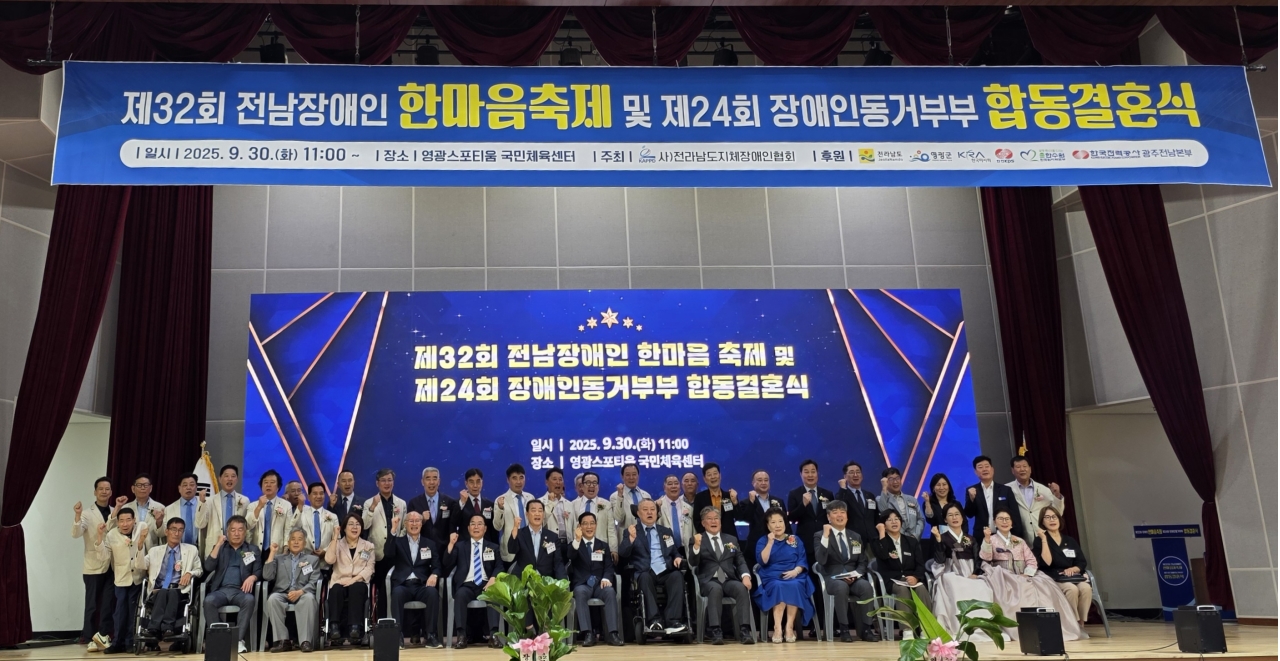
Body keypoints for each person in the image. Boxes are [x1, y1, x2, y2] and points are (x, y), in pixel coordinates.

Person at [979, 510, 1084, 641]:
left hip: (1023, 574)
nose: (1004, 522)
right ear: (995, 522)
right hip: (1003, 575)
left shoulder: (1020, 541)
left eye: (1007, 519)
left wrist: (1027, 573)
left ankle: (1046, 627)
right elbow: (986, 557)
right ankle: (1022, 628)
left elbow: (1031, 560)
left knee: (1044, 588)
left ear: (1012, 523)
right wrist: (987, 539)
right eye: (1001, 519)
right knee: (1017, 592)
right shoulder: (991, 539)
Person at [619, 499, 688, 636]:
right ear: (638, 513)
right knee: (644, 577)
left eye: (652, 509)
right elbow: (623, 553)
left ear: (657, 513)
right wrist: (631, 539)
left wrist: (677, 557)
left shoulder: (665, 531)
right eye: (645, 510)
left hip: (665, 571)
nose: (649, 512)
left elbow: (674, 551)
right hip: (645, 571)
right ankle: (654, 620)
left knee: (677, 576)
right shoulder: (631, 531)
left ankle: (673, 621)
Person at [929, 503, 998, 640]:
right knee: (954, 583)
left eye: (957, 514)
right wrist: (938, 540)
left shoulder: (970, 539)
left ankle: (981, 626)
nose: (954, 518)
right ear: (945, 519)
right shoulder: (942, 537)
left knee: (982, 586)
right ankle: (958, 627)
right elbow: (940, 560)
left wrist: (975, 573)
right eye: (950, 515)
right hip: (950, 573)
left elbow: (978, 559)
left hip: (970, 574)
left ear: (962, 517)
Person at [688, 508, 755, 645]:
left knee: (741, 588)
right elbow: (693, 563)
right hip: (709, 581)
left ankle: (744, 630)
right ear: (703, 523)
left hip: (728, 579)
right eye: (709, 518)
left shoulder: (731, 539)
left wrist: (745, 576)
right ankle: (716, 630)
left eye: (716, 518)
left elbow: (740, 561)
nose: (713, 521)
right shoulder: (697, 539)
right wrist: (696, 546)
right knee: (715, 589)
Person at [813, 501, 877, 643]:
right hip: (832, 578)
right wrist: (825, 536)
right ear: (828, 517)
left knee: (866, 586)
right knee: (841, 587)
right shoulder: (820, 536)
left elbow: (862, 561)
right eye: (835, 512)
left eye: (842, 512)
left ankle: (866, 629)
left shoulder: (855, 536)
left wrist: (856, 574)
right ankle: (844, 629)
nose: (839, 515)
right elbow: (821, 560)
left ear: (847, 516)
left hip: (853, 577)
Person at [134, 517, 203, 644]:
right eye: (174, 529)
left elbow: (199, 570)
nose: (177, 533)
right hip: (158, 591)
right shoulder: (154, 551)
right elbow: (140, 565)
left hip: (179, 590)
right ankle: (165, 628)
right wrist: (140, 546)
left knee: (171, 592)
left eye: (180, 530)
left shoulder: (191, 550)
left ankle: (156, 628)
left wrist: (190, 573)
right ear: (166, 531)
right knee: (163, 592)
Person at [202, 515, 262, 654]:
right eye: (233, 530)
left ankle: (238, 641)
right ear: (227, 532)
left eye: (240, 530)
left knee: (249, 600)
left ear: (245, 532)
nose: (236, 533)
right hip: (220, 591)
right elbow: (209, 567)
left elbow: (258, 570)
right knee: (209, 601)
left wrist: (252, 577)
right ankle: (219, 641)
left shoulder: (252, 549)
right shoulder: (221, 548)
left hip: (241, 592)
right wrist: (218, 544)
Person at [754, 507, 813, 644]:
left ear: (785, 523)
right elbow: (763, 561)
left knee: (795, 585)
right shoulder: (763, 540)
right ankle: (777, 627)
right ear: (768, 525)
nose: (778, 525)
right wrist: (770, 542)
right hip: (771, 576)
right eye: (773, 522)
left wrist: (796, 571)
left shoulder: (794, 539)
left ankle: (789, 627)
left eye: (780, 521)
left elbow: (802, 559)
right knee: (778, 585)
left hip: (795, 575)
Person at [444, 514, 504, 649]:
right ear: (468, 528)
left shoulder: (493, 547)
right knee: (460, 595)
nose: (476, 527)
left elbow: (499, 566)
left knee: (493, 596)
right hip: (467, 584)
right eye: (473, 524)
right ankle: (461, 636)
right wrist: (451, 544)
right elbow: (447, 563)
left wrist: (493, 578)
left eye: (479, 524)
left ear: (485, 528)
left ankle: (494, 636)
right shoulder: (460, 546)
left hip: (486, 583)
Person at [386, 512, 443, 649]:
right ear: (405, 524)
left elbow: (437, 566)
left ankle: (431, 636)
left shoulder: (429, 544)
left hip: (421, 585)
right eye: (411, 521)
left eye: (417, 521)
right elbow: (388, 553)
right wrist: (393, 530)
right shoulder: (398, 542)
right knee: (397, 593)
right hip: (403, 584)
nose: (414, 524)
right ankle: (397, 637)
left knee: (432, 593)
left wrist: (434, 575)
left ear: (421, 524)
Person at [263, 529, 322, 653]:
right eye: (293, 539)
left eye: (299, 539)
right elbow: (267, 576)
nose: (296, 542)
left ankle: (305, 641)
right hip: (282, 592)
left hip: (302, 593)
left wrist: (300, 592)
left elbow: (314, 581)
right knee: (273, 599)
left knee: (309, 599)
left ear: (304, 543)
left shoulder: (312, 560)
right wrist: (272, 553)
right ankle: (283, 641)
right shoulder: (279, 558)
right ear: (288, 542)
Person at [568, 512, 623, 647]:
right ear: (579, 526)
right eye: (585, 524)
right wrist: (577, 540)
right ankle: (587, 633)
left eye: (592, 523)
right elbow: (570, 556)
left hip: (599, 585)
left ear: (596, 525)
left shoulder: (603, 545)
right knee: (579, 592)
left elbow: (609, 566)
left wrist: (606, 578)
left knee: (610, 591)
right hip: (583, 584)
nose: (589, 527)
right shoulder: (575, 545)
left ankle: (612, 634)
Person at [74, 477, 117, 651]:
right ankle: (89, 636)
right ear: (95, 492)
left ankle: (104, 635)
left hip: (112, 564)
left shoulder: (115, 511)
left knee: (107, 603)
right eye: (101, 489)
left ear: (111, 492)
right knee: (92, 604)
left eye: (107, 489)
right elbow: (76, 533)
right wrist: (77, 515)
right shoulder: (86, 513)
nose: (104, 492)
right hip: (93, 565)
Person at [1032, 506, 1092, 628]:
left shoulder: (1070, 540)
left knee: (1086, 588)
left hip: (1073, 575)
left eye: (1054, 517)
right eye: (1047, 517)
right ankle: (1072, 622)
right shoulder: (1039, 540)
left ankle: (1081, 622)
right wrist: (1044, 540)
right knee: (1072, 589)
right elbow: (1047, 563)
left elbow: (1081, 562)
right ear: (1042, 522)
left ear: (1059, 519)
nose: (1052, 520)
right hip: (1054, 577)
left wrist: (1073, 569)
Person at [95, 508, 144, 654]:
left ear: (134, 520)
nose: (125, 524)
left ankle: (130, 642)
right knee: (120, 611)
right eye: (121, 520)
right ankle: (117, 642)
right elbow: (103, 557)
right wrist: (99, 536)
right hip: (121, 578)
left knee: (133, 611)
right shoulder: (111, 535)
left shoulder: (141, 529)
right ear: (117, 522)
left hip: (137, 578)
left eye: (128, 520)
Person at [324, 513, 377, 648]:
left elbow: (370, 568)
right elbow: (329, 560)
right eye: (351, 524)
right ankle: (334, 627)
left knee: (357, 588)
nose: (355, 527)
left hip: (359, 580)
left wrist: (355, 580)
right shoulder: (337, 544)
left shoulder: (368, 546)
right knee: (336, 589)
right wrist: (335, 537)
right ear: (344, 528)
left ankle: (355, 627)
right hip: (340, 580)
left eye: (358, 524)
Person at [362, 468, 406, 617]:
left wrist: (398, 540)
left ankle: (395, 620)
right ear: (377, 483)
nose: (387, 483)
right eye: (383, 480)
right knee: (380, 589)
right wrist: (372, 508)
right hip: (378, 553)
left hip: (396, 553)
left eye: (389, 480)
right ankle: (380, 620)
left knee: (395, 588)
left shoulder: (401, 503)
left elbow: (404, 528)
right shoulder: (369, 502)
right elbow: (364, 525)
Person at [870, 510, 931, 614]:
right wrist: (882, 533)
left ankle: (926, 623)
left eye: (896, 519)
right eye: (889, 520)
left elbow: (920, 564)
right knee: (902, 589)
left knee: (921, 588)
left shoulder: (911, 541)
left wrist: (916, 577)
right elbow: (883, 555)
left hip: (911, 578)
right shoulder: (877, 541)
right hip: (891, 580)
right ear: (883, 524)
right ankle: (906, 624)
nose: (894, 522)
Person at [964, 456, 1025, 541]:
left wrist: (1017, 535)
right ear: (976, 472)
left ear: (992, 469)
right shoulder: (971, 490)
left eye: (987, 466)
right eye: (980, 467)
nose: (984, 469)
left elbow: (1015, 514)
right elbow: (969, 514)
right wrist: (971, 499)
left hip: (1004, 535)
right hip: (982, 537)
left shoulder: (1005, 490)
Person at [196, 465, 251, 558]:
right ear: (220, 479)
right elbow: (200, 524)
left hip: (238, 548)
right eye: (226, 476)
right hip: (215, 547)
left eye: (233, 476)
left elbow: (247, 527)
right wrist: (201, 502)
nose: (230, 479)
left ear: (237, 479)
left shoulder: (244, 500)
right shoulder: (209, 501)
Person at [1007, 457, 1065, 543]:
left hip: (1044, 537)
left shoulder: (1044, 489)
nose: (1022, 469)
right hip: (1020, 538)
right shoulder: (1007, 489)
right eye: (1018, 467)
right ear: (1012, 470)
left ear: (1030, 469)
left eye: (1024, 466)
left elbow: (1057, 513)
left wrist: (1057, 495)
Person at [736, 469, 786, 567]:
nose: (763, 483)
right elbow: (746, 519)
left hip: (778, 545)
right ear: (753, 483)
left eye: (766, 480)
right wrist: (751, 502)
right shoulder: (746, 502)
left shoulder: (778, 501)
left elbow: (785, 523)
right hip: (755, 546)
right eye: (759, 480)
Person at [506, 499, 565, 579]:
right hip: (524, 580)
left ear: (543, 515)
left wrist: (563, 582)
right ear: (527, 514)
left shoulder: (553, 537)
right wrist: (515, 528)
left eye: (540, 511)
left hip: (545, 581)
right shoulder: (520, 534)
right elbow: (511, 550)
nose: (537, 514)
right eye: (533, 511)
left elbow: (558, 563)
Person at [407, 467, 458, 546]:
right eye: (428, 479)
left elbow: (453, 526)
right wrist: (422, 520)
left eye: (434, 478)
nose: (431, 482)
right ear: (422, 482)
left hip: (444, 549)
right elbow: (409, 528)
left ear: (439, 481)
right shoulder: (414, 503)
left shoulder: (450, 502)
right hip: (421, 548)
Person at [493, 463, 533, 562]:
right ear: (508, 480)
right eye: (514, 478)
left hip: (530, 546)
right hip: (511, 548)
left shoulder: (530, 498)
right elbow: (497, 527)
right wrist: (500, 508)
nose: (518, 482)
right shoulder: (501, 500)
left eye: (521, 477)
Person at [571, 471, 617, 555]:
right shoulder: (573, 505)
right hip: (579, 549)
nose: (591, 485)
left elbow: (611, 530)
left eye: (594, 483)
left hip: (600, 548)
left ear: (598, 487)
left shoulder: (606, 505)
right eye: (588, 483)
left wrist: (613, 550)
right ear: (582, 486)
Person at [295, 482, 339, 564]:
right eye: (315, 493)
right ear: (308, 497)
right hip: (304, 562)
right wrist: (300, 506)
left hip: (326, 562)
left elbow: (337, 539)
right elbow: (292, 528)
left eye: (321, 493)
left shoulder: (333, 516)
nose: (318, 496)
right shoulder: (301, 513)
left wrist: (325, 551)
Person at [835, 461, 878, 544]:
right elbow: (840, 509)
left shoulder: (869, 495)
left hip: (872, 540)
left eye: (858, 472)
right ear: (845, 476)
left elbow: (875, 517)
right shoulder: (842, 495)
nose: (855, 475)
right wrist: (843, 489)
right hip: (853, 540)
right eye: (851, 472)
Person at [248, 470, 291, 551]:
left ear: (278, 487)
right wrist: (259, 507)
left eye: (272, 482)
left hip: (277, 549)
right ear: (261, 486)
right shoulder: (253, 505)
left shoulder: (286, 505)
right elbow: (248, 525)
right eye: (265, 482)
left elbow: (288, 529)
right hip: (256, 549)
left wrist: (286, 547)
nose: (268, 485)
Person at [161, 473, 205, 550]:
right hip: (177, 549)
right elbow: (164, 532)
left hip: (200, 549)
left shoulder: (204, 505)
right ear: (179, 488)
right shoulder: (169, 509)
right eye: (185, 485)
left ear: (196, 487)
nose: (188, 488)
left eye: (192, 485)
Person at [877, 467, 924, 538]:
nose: (895, 482)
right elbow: (884, 512)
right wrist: (884, 488)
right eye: (891, 479)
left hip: (914, 539)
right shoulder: (880, 499)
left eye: (897, 478)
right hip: (894, 539)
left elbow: (921, 519)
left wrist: (915, 536)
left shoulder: (912, 499)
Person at [691, 463, 736, 535]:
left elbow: (739, 517)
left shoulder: (728, 496)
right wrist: (708, 536)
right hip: (708, 539)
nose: (713, 477)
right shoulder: (699, 497)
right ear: (704, 479)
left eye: (715, 473)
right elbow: (697, 521)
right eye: (709, 475)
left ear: (720, 476)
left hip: (729, 538)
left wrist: (735, 502)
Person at [457, 468, 499, 544]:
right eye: (471, 482)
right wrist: (462, 503)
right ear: (466, 483)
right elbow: (454, 523)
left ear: (482, 483)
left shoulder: (490, 504)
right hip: (465, 546)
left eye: (478, 481)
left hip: (486, 547)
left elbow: (494, 531)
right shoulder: (459, 504)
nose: (475, 485)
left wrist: (495, 547)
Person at [124, 473, 167, 546]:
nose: (142, 488)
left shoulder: (160, 507)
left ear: (151, 488)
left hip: (152, 548)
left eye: (146, 485)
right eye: (139, 485)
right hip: (130, 547)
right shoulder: (125, 508)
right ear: (133, 489)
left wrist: (159, 522)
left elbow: (163, 534)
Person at [609, 463, 651, 535]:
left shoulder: (646, 495)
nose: (631, 477)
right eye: (628, 475)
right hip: (626, 537)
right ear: (622, 477)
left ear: (638, 476)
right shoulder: (615, 496)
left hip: (645, 536)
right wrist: (620, 497)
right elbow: (619, 518)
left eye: (634, 474)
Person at [656, 474, 694, 551]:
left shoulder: (688, 508)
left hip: (686, 550)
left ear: (680, 487)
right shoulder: (657, 506)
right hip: (665, 550)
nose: (674, 486)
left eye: (676, 483)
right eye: (670, 484)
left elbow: (693, 532)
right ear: (664, 488)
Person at [539, 467, 574, 538]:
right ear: (546, 482)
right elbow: (540, 523)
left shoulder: (569, 504)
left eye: (560, 479)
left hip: (568, 542)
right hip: (549, 542)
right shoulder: (540, 502)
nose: (558, 482)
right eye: (554, 479)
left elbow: (574, 527)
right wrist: (550, 502)